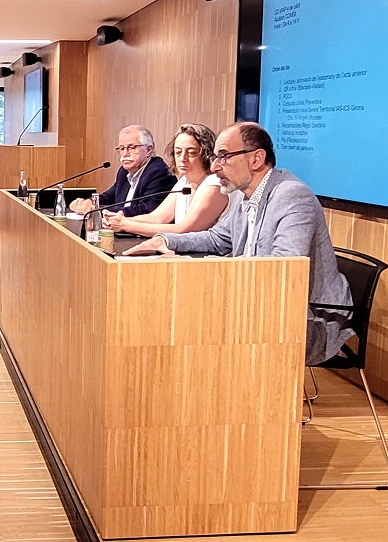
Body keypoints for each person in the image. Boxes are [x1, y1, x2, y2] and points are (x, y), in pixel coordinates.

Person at [126, 122, 353, 365]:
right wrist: (165, 240)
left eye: (223, 156)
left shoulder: (291, 195)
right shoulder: (243, 194)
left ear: (256, 159)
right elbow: (217, 239)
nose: (214, 167)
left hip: (307, 318)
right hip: (258, 302)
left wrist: (196, 266)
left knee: (199, 322)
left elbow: (283, 268)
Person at [107, 123, 229, 238]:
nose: (182, 158)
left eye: (191, 153)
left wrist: (126, 225)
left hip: (211, 257)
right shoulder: (184, 181)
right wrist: (117, 219)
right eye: (178, 152)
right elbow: (157, 218)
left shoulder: (214, 184)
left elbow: (184, 230)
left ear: (206, 154)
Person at [70, 124, 175, 216]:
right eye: (122, 148)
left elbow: (146, 210)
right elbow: (108, 197)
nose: (125, 154)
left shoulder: (159, 173)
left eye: (132, 147)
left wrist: (96, 210)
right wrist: (88, 203)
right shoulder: (124, 172)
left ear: (148, 150)